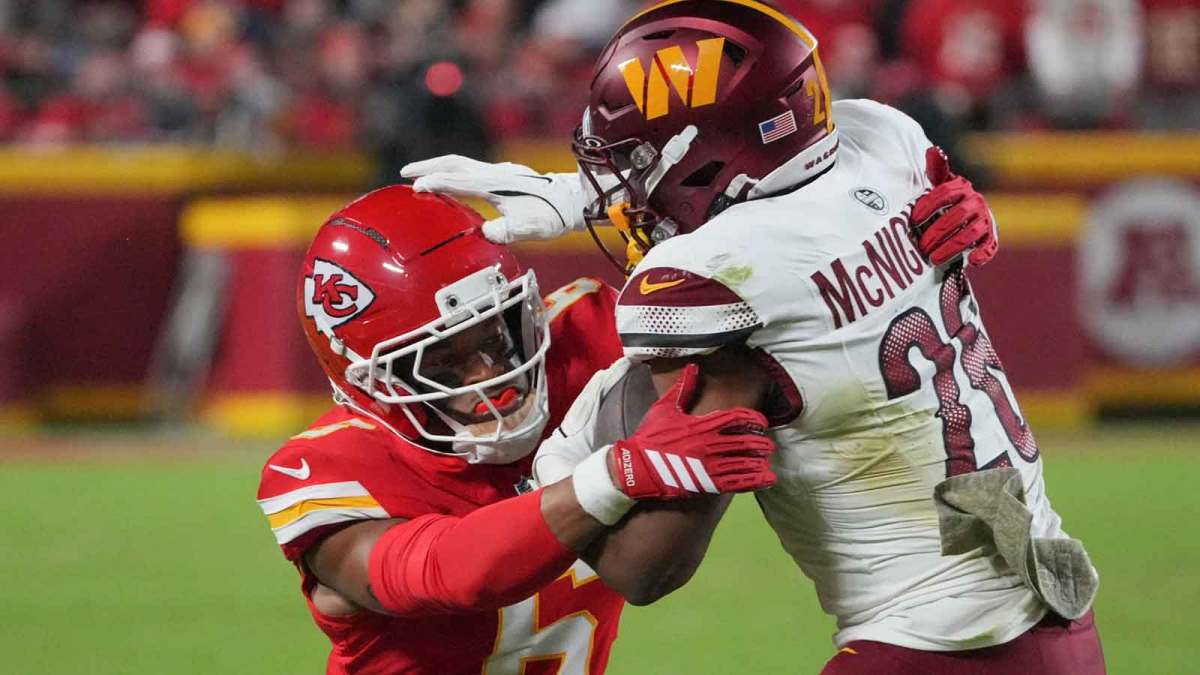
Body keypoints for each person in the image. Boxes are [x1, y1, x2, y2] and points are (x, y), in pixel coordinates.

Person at [400, 1, 1105, 673]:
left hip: (936, 643)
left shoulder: (711, 277)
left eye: (639, 159)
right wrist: (578, 198)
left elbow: (641, 568)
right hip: (1050, 602)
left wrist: (565, 462)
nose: (626, 187)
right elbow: (800, 211)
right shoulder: (887, 142)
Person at [255, 184, 778, 674]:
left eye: (498, 336)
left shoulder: (582, 347)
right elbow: (446, 572)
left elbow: (762, 302)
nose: (490, 375)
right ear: (370, 383)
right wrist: (615, 476)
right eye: (439, 365)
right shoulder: (328, 470)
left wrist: (612, 202)